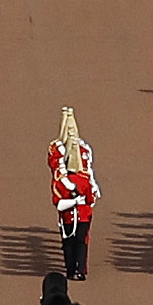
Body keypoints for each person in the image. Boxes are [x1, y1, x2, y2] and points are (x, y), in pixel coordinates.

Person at [49, 106, 98, 281]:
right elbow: (58, 201)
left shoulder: (83, 176)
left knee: (81, 241)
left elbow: (91, 196)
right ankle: (71, 269)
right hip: (69, 214)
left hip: (82, 215)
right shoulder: (61, 179)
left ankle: (80, 269)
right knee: (68, 243)